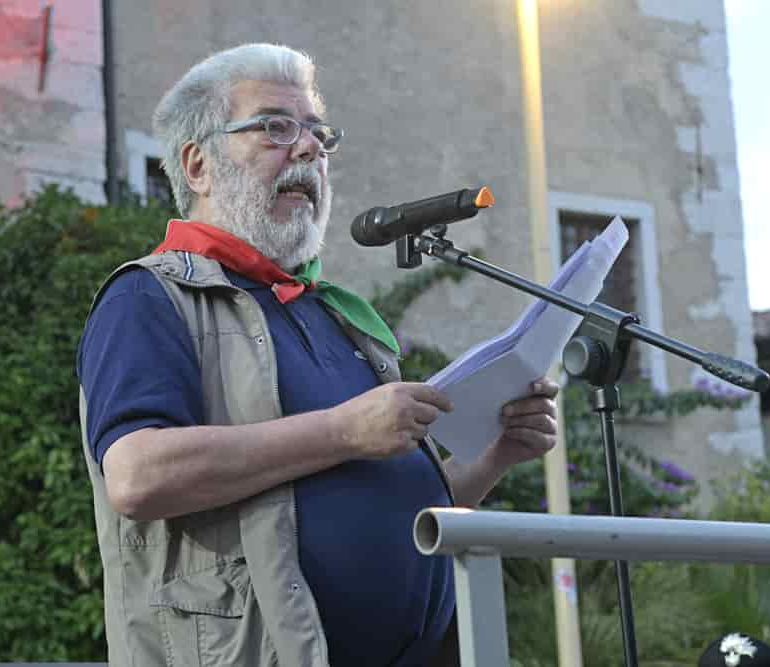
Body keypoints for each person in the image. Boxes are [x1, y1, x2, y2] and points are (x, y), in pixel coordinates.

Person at [77, 43, 559, 667]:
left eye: (317, 134)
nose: (307, 149)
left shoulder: (332, 314)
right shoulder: (149, 296)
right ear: (198, 166)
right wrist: (342, 430)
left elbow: (407, 514)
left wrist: (500, 453)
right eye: (275, 128)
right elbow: (138, 476)